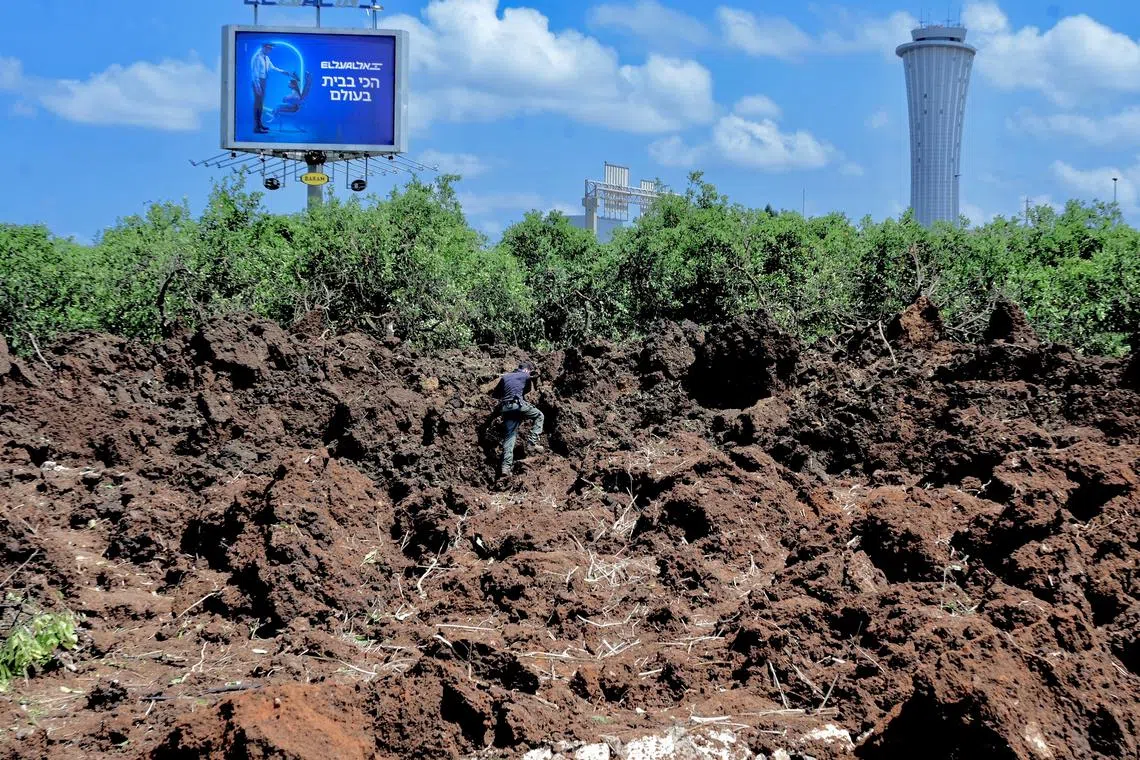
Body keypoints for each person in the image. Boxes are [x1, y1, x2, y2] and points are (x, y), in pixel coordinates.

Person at [489, 361, 545, 477]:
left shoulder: (505, 377)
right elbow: (528, 388)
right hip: (517, 404)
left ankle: (505, 468)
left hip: (505, 408)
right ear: (526, 370)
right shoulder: (525, 375)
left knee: (510, 437)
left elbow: (495, 395)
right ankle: (532, 442)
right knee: (539, 415)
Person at [251, 43, 293, 134]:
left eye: (271, 49)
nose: (270, 51)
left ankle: (260, 124)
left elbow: (272, 68)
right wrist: (257, 86)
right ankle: (257, 127)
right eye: (269, 48)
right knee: (257, 104)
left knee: (261, 104)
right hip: (258, 82)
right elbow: (255, 73)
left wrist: (283, 72)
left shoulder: (266, 58)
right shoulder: (258, 58)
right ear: (264, 48)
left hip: (264, 81)